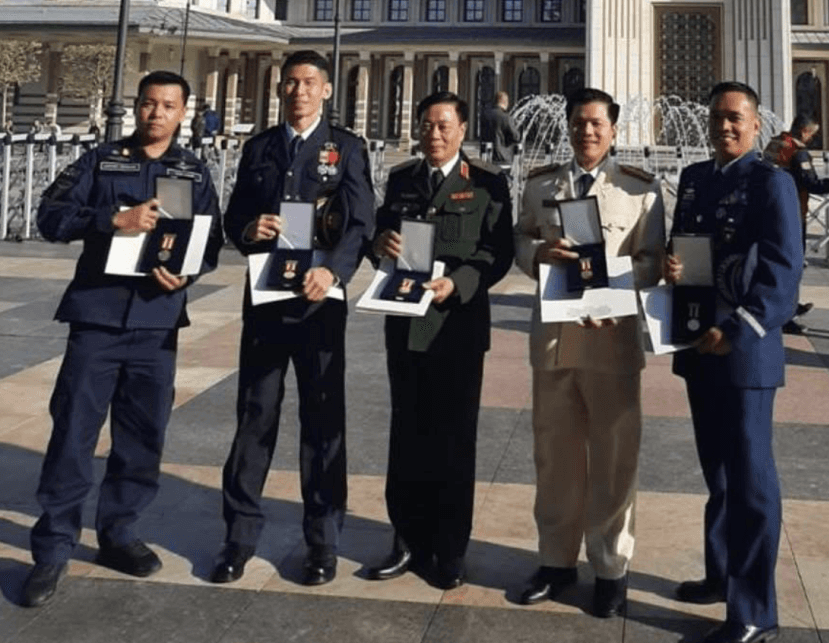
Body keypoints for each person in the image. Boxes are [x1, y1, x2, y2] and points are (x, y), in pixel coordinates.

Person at [20, 70, 222, 608]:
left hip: (156, 324)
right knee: (74, 435)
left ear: (184, 112)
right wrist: (115, 217)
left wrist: (188, 272)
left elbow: (210, 241)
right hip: (99, 320)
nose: (157, 114)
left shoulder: (193, 172)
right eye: (149, 104)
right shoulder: (101, 161)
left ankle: (119, 533)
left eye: (168, 106)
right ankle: (53, 547)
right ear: (136, 107)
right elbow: (50, 216)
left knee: (142, 436)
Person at [209, 50, 375, 586]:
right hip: (266, 302)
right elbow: (234, 216)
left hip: (319, 303)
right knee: (254, 417)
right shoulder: (261, 147)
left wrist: (335, 273)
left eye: (309, 82)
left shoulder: (346, 148)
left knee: (323, 423)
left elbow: (361, 222)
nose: (298, 91)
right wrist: (248, 229)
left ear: (326, 90)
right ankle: (238, 538)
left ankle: (322, 541)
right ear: (280, 91)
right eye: (290, 83)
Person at [515, 87, 665, 618]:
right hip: (554, 342)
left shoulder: (640, 191)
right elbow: (522, 238)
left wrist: (618, 290)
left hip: (612, 340)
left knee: (614, 459)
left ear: (614, 131)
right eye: (579, 123)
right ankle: (555, 562)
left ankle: (610, 568)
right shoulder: (540, 185)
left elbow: (651, 260)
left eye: (598, 124)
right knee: (554, 457)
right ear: (569, 126)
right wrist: (538, 253)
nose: (588, 132)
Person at [665, 81, 803, 643]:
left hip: (744, 351)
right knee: (717, 473)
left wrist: (737, 329)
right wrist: (673, 272)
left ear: (755, 125)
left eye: (736, 118)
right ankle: (720, 573)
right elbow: (685, 246)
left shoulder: (772, 182)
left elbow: (783, 271)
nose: (725, 126)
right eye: (717, 117)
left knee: (751, 481)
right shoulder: (695, 179)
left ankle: (752, 609)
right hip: (700, 345)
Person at [367, 91, 514, 590]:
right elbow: (382, 233)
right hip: (405, 324)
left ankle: (450, 549)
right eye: (427, 125)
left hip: (456, 327)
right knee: (406, 435)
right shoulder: (401, 178)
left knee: (453, 441)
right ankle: (406, 539)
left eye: (444, 126)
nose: (434, 134)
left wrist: (460, 284)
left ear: (463, 129)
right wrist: (379, 244)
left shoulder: (489, 184)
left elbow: (497, 253)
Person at [763, 112, 829, 333]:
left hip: (771, 211)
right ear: (804, 131)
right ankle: (786, 316)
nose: (812, 139)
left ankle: (789, 305)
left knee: (777, 263)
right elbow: (811, 183)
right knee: (792, 265)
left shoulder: (775, 143)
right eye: (812, 134)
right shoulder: (798, 153)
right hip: (792, 213)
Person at [483, 90, 520, 170]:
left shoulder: (485, 116)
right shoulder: (506, 117)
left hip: (487, 158)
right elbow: (516, 137)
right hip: (503, 159)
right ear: (504, 102)